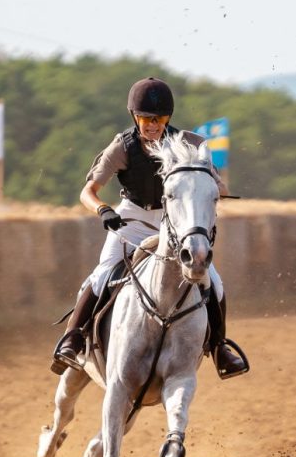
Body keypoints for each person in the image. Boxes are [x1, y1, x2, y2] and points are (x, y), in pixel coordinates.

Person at [50, 77, 249, 380]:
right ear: (135, 117)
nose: (152, 125)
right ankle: (74, 337)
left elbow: (216, 187)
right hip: (132, 220)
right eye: (146, 119)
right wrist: (103, 210)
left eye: (158, 119)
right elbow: (87, 192)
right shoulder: (123, 146)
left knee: (213, 281)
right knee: (103, 272)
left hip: (176, 222)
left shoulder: (191, 143)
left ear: (167, 118)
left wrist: (212, 185)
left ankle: (220, 347)